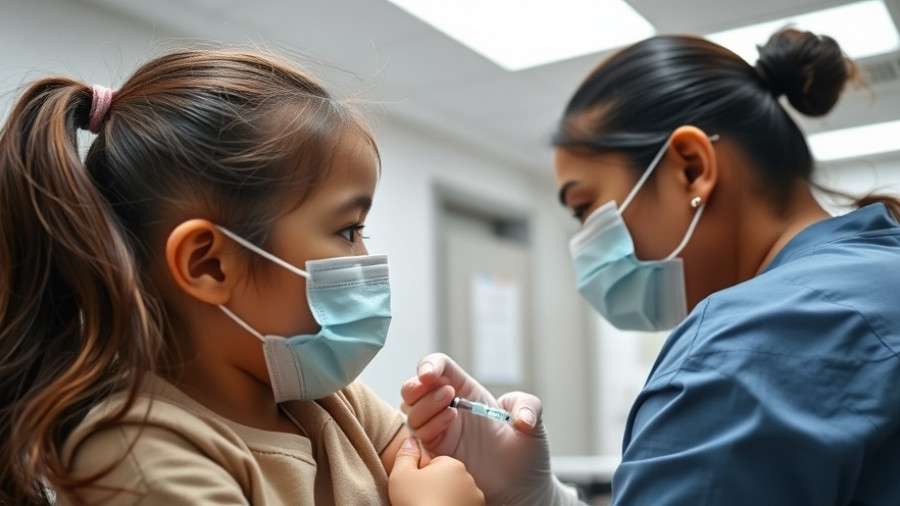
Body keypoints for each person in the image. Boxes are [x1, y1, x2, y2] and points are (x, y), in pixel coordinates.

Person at [402, 27, 900, 505]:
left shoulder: (743, 343)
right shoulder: (878, 268)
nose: (583, 245)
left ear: (691, 168)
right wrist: (537, 496)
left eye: (585, 207)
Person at [0, 48, 485, 506]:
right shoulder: (139, 457)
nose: (364, 258)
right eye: (348, 230)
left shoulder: (327, 398)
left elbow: (426, 471)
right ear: (208, 265)